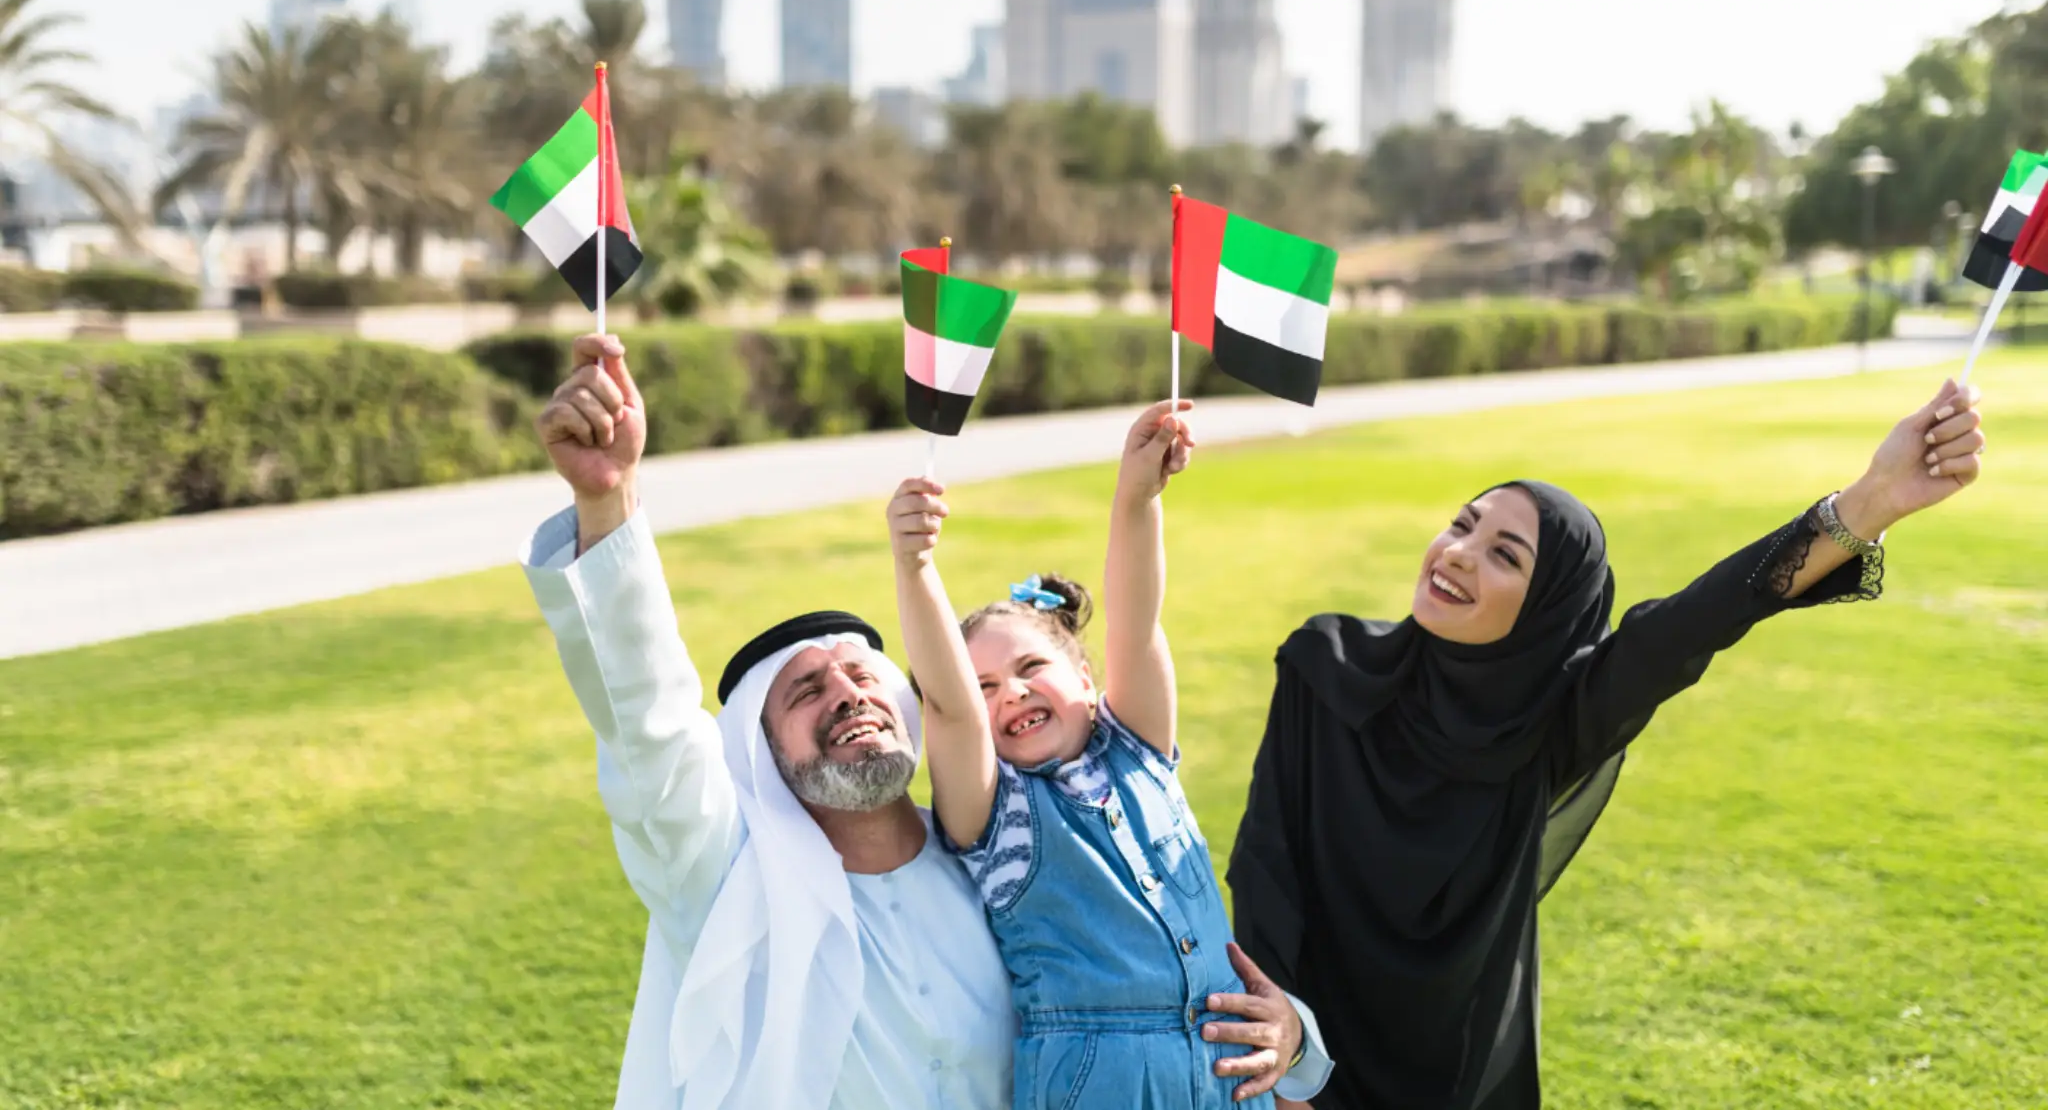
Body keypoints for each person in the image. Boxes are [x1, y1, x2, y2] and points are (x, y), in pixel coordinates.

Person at [520, 334, 1332, 1110]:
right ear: (760, 756)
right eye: (804, 692)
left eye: (863, 673)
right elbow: (651, 727)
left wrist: (1295, 1035)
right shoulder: (732, 881)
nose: (845, 693)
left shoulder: (990, 872)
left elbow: (1168, 985)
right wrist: (610, 502)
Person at [1227, 379, 1988, 1110]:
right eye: (1464, 524)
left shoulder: (1553, 725)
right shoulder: (1324, 668)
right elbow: (1267, 862)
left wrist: (1870, 502)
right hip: (1295, 1047)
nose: (1459, 552)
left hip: (1448, 1071)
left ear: (1548, 611)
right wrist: (1288, 1043)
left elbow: (1703, 616)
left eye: (1506, 555)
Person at [884, 398, 1333, 1109]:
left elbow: (1136, 618)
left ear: (1087, 680)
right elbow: (948, 707)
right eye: (987, 686)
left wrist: (1137, 494)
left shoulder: (1142, 749)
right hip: (1101, 1086)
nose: (1011, 693)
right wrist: (915, 567)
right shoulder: (994, 814)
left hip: (1224, 1071)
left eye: (1032, 667)